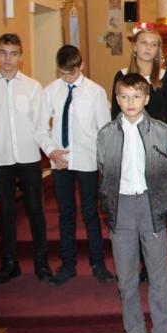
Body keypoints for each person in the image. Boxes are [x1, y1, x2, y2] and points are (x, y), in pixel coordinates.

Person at [97, 73, 167, 333]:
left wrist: (158, 200)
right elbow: (103, 169)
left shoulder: (159, 131)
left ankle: (162, 332)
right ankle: (134, 331)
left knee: (158, 275)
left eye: (136, 96)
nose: (130, 102)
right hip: (121, 207)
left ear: (146, 99)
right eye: (124, 97)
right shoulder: (106, 134)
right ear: (117, 100)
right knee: (126, 276)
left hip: (150, 205)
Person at [0, 33, 52, 284]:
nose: (8, 59)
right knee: (7, 212)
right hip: (1, 158)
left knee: (35, 210)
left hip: (29, 156)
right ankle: (10, 263)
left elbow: (40, 123)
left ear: (21, 57)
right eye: (3, 53)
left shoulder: (33, 87)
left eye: (13, 54)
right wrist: (2, 143)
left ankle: (41, 262)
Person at [36, 45, 113, 286]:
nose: (67, 78)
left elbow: (104, 130)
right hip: (61, 161)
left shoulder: (95, 92)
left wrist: (105, 163)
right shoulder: (51, 91)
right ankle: (68, 264)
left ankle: (98, 263)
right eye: (62, 74)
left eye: (71, 73)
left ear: (81, 66)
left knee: (90, 213)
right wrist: (51, 151)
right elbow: (40, 127)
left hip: (88, 159)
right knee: (66, 213)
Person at [111, 22, 167, 283]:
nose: (148, 49)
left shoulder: (164, 77)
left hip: (156, 153)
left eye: (153, 45)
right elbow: (114, 121)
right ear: (135, 47)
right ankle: (136, 261)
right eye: (144, 43)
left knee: (155, 210)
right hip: (130, 155)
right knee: (132, 211)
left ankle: (153, 263)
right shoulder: (122, 75)